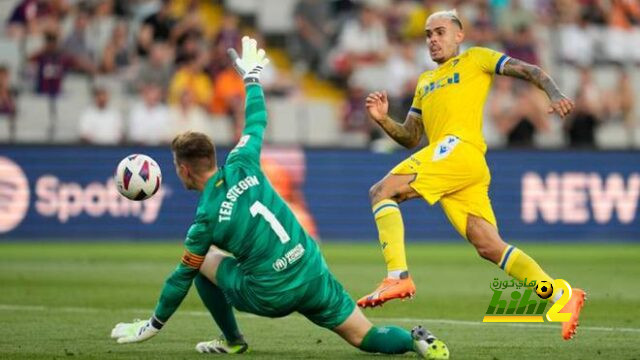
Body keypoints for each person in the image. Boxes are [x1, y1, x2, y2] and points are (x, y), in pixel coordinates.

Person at [110, 36, 449, 359]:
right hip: (310, 267)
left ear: (184, 170)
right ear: (212, 157)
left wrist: (153, 324)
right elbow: (256, 119)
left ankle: (233, 342)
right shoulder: (242, 160)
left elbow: (179, 278)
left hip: (271, 294)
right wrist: (252, 78)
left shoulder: (205, 219)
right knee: (363, 336)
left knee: (202, 265)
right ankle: (414, 339)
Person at [357, 10, 585, 341]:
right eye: (428, 34)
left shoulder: (476, 59)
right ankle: (562, 296)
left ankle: (397, 275)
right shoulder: (425, 81)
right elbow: (410, 136)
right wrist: (382, 119)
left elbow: (529, 69)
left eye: (440, 32)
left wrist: (555, 93)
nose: (433, 39)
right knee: (489, 245)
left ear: (459, 36)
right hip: (456, 164)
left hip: (460, 150)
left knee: (381, 192)